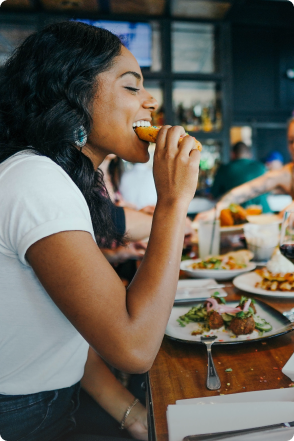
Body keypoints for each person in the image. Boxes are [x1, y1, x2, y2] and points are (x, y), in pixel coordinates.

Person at [0, 21, 200, 441]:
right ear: (72, 96)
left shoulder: (56, 177)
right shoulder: (36, 181)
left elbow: (68, 330)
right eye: (132, 87)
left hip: (50, 402)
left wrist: (134, 415)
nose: (151, 101)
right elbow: (134, 348)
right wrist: (173, 203)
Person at [196, 119, 294, 221]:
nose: (293, 146)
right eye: (291, 141)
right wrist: (217, 210)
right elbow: (246, 190)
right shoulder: (287, 173)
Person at [210, 141, 271, 213]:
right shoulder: (261, 167)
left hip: (238, 215)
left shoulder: (224, 169)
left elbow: (213, 195)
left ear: (232, 154)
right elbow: (269, 191)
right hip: (264, 213)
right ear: (249, 154)